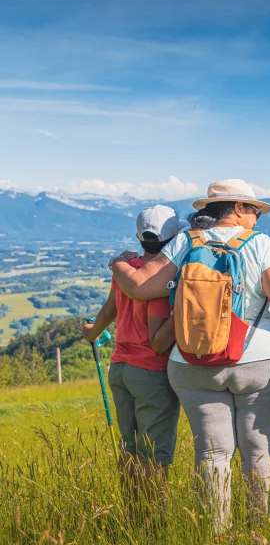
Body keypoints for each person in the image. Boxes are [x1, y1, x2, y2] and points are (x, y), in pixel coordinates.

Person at [109, 179, 270, 529]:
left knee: (212, 453)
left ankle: (216, 537)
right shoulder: (259, 244)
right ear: (238, 208)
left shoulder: (186, 240)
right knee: (258, 448)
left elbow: (140, 287)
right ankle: (260, 532)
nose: (258, 218)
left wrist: (117, 264)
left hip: (191, 362)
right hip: (256, 360)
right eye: (255, 210)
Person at [84, 205, 183, 513]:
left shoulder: (129, 271)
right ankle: (155, 521)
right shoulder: (159, 279)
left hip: (120, 368)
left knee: (130, 448)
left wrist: (93, 332)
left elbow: (110, 309)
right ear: (174, 238)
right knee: (155, 453)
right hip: (150, 371)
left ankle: (134, 514)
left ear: (140, 238)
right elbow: (159, 337)